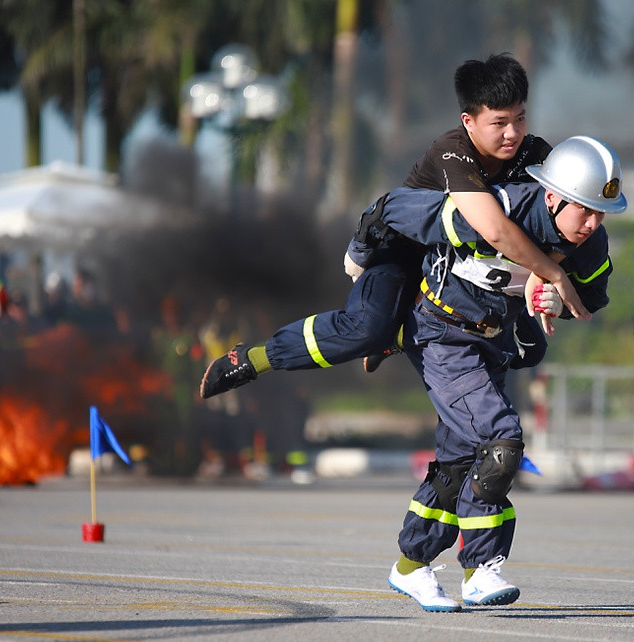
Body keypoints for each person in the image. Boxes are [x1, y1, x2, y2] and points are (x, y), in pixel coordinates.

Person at [200, 54, 587, 399]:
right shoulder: (452, 151)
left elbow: (571, 221)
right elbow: (493, 229)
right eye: (499, 123)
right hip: (405, 254)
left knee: (530, 351)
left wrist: (544, 273)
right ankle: (253, 358)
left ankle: (401, 335)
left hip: (465, 271)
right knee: (365, 330)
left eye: (520, 119)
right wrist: (552, 273)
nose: (513, 133)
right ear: (469, 122)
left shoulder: (537, 154)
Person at [379, 136, 626, 611]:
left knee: (458, 462)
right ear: (552, 197)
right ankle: (480, 569)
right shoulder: (500, 208)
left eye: (601, 213)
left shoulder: (591, 242)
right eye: (584, 210)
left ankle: (411, 565)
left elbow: (591, 299)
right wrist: (366, 246)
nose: (593, 223)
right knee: (501, 439)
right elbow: (406, 214)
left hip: (493, 346)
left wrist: (560, 301)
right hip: (443, 335)